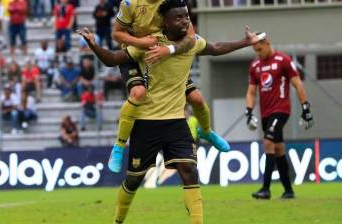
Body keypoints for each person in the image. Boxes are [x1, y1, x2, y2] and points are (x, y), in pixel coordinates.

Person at [79, 0, 260, 222]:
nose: (185, 21)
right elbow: (114, 59)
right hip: (146, 123)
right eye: (179, 18)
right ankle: (118, 219)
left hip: (176, 121)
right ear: (164, 22)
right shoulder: (150, 44)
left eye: (186, 17)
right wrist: (93, 45)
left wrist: (246, 41)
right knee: (134, 180)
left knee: (189, 170)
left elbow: (215, 48)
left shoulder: (191, 42)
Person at [107, 0, 231, 173]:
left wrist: (170, 49)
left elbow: (190, 38)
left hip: (163, 54)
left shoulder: (174, 2)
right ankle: (119, 146)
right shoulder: (129, 3)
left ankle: (207, 131)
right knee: (138, 92)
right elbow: (116, 33)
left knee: (196, 98)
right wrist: (140, 42)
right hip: (135, 53)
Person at [245, 33, 314, 200]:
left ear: (267, 43)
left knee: (268, 141)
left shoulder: (283, 60)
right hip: (265, 113)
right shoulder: (255, 65)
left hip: (281, 109)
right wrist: (248, 111)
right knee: (278, 149)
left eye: (260, 49)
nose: (258, 53)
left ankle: (265, 189)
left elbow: (297, 84)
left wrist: (306, 107)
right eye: (255, 51)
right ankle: (288, 191)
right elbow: (251, 91)